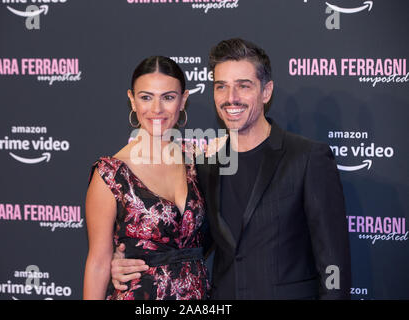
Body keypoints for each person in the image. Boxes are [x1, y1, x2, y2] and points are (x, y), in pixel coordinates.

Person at [111, 39, 351, 300]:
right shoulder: (205, 166)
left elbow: (333, 265)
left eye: (243, 86)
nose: (231, 98)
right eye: (221, 87)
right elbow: (186, 246)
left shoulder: (306, 158)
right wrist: (127, 262)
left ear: (266, 91)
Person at [83, 56, 210, 300]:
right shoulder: (111, 174)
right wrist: (113, 261)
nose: (157, 109)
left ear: (183, 101)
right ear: (132, 100)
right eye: (146, 97)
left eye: (168, 97)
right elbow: (98, 263)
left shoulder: (197, 161)